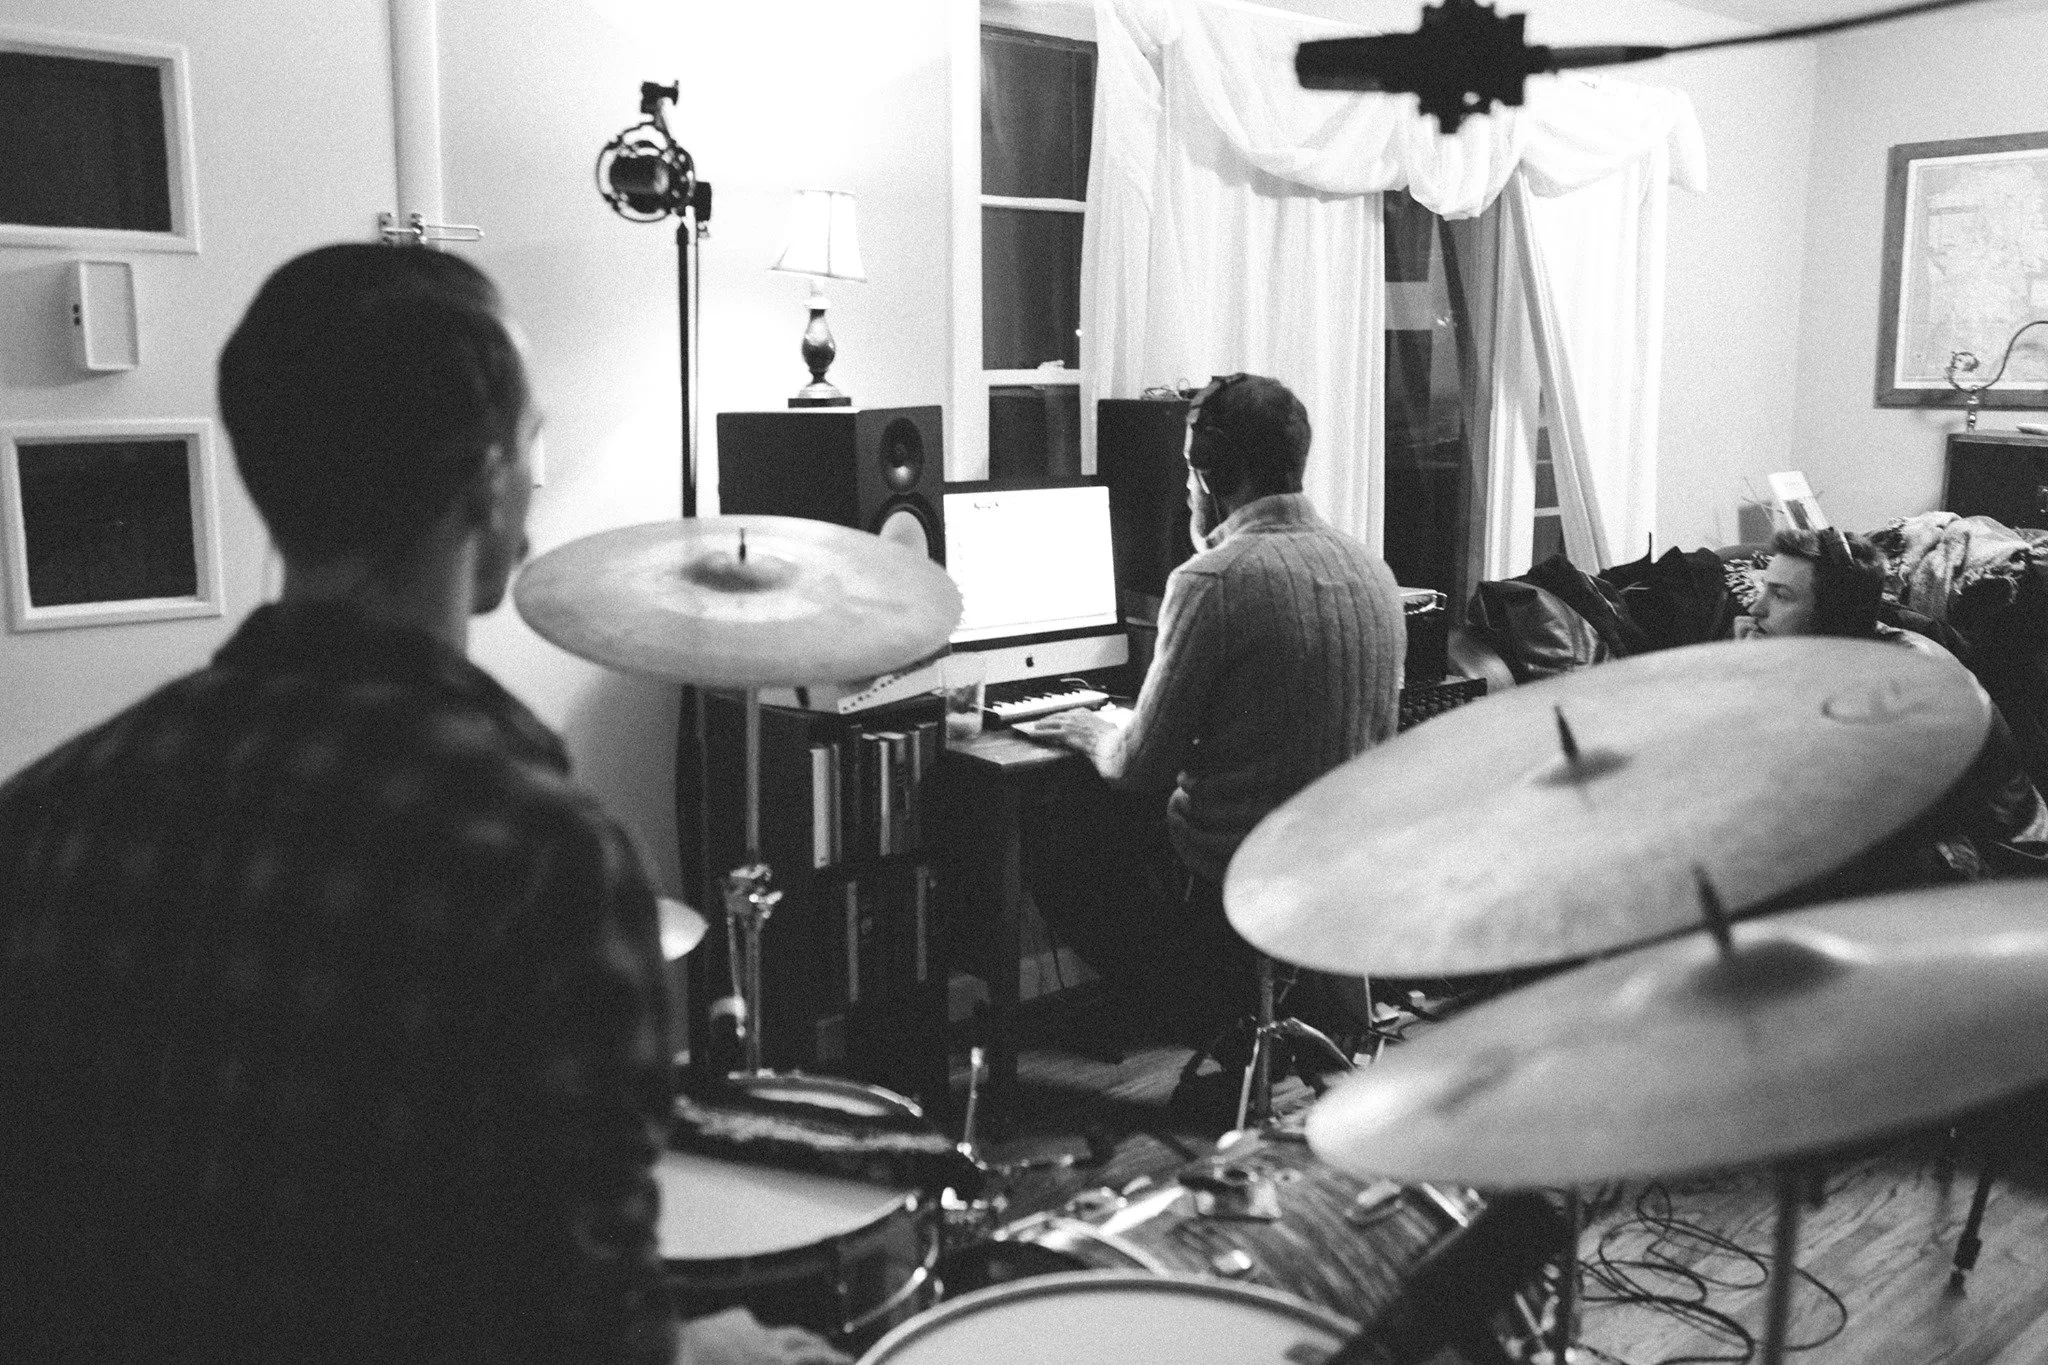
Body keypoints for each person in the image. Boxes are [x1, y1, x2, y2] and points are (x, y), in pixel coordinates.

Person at [0, 245, 846, 1365]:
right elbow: (579, 1338)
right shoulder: (538, 859)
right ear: (488, 480)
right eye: (533, 447)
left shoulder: (51, 811)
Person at [1033, 372, 1406, 1045]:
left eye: (1188, 468)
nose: (1185, 486)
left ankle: (1196, 1008)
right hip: (1342, 869)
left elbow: (1140, 767)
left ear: (1213, 473)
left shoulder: (1213, 580)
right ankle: (1254, 1010)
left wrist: (1094, 731)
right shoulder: (1374, 572)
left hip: (1230, 877)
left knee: (1056, 826)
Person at [1736, 526, 2048, 886]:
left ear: (1834, 613)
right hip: (1926, 833)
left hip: (2004, 863)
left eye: (1781, 595)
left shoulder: (1903, 680)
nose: (1755, 607)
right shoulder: (1838, 648)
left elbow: (1823, 795)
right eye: (1764, 589)